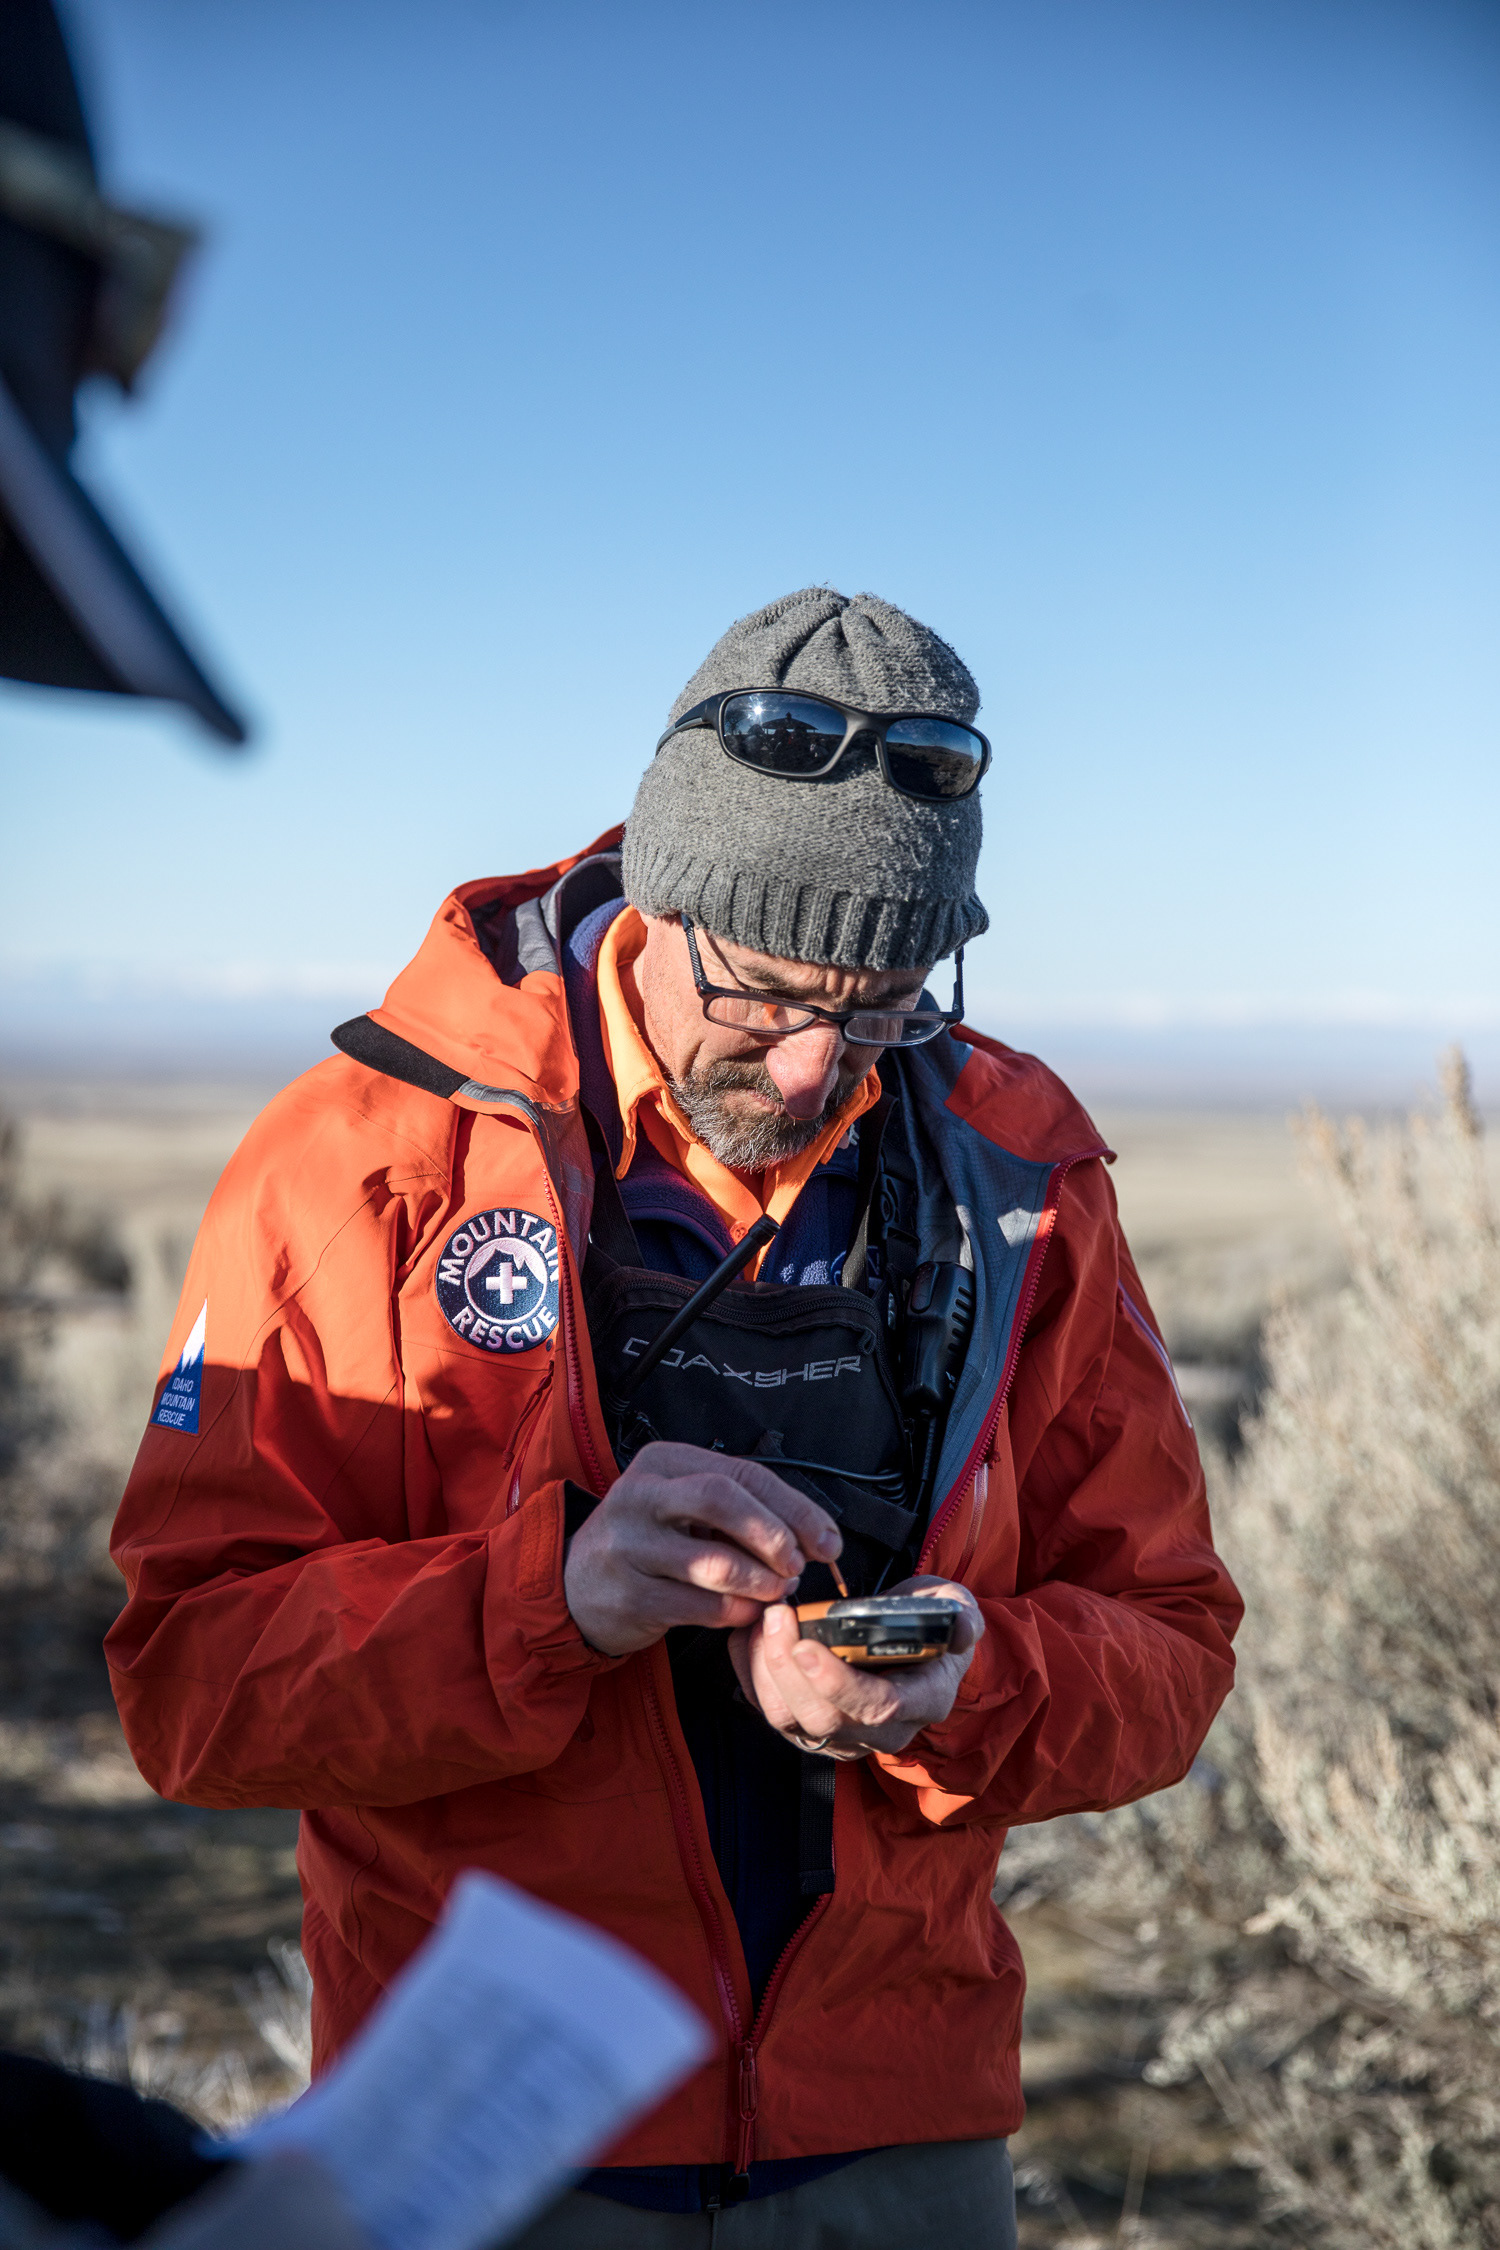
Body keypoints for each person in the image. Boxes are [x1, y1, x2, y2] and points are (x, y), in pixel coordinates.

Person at [107, 588, 1241, 2249]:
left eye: (879, 1005)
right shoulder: (362, 1158)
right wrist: (546, 1601)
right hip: (500, 2139)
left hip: (898, 2127)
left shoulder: (1021, 1178)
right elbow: (191, 1690)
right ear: (661, 891)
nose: (811, 1066)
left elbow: (1173, 1645)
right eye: (768, 992)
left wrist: (958, 1680)